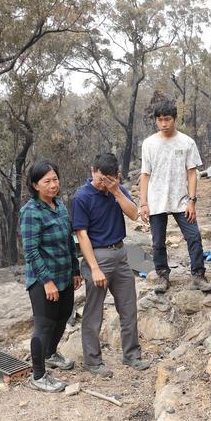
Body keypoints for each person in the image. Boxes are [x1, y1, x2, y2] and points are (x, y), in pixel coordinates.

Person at [72, 153, 150, 378]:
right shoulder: (82, 196)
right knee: (94, 311)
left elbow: (134, 214)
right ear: (92, 171)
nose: (103, 182)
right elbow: (82, 235)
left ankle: (132, 355)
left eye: (109, 178)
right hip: (97, 255)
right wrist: (94, 267)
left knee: (128, 306)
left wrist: (116, 191)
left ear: (116, 176)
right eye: (100, 177)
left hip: (120, 252)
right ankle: (92, 361)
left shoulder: (118, 191)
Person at [140, 101, 211, 294]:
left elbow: (192, 173)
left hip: (182, 199)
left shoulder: (187, 142)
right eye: (160, 120)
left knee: (194, 236)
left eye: (167, 119)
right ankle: (162, 276)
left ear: (174, 119)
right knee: (157, 242)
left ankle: (198, 275)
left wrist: (192, 200)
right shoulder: (149, 143)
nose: (163, 123)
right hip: (156, 200)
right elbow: (145, 174)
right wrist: (144, 203)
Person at [19, 160, 82, 393]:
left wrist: (75, 270)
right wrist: (46, 281)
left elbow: (68, 241)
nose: (53, 185)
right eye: (47, 181)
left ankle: (51, 353)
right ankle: (38, 375)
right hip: (43, 279)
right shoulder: (30, 212)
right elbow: (31, 251)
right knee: (44, 325)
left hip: (64, 274)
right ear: (35, 185)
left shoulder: (60, 206)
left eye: (55, 179)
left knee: (63, 315)